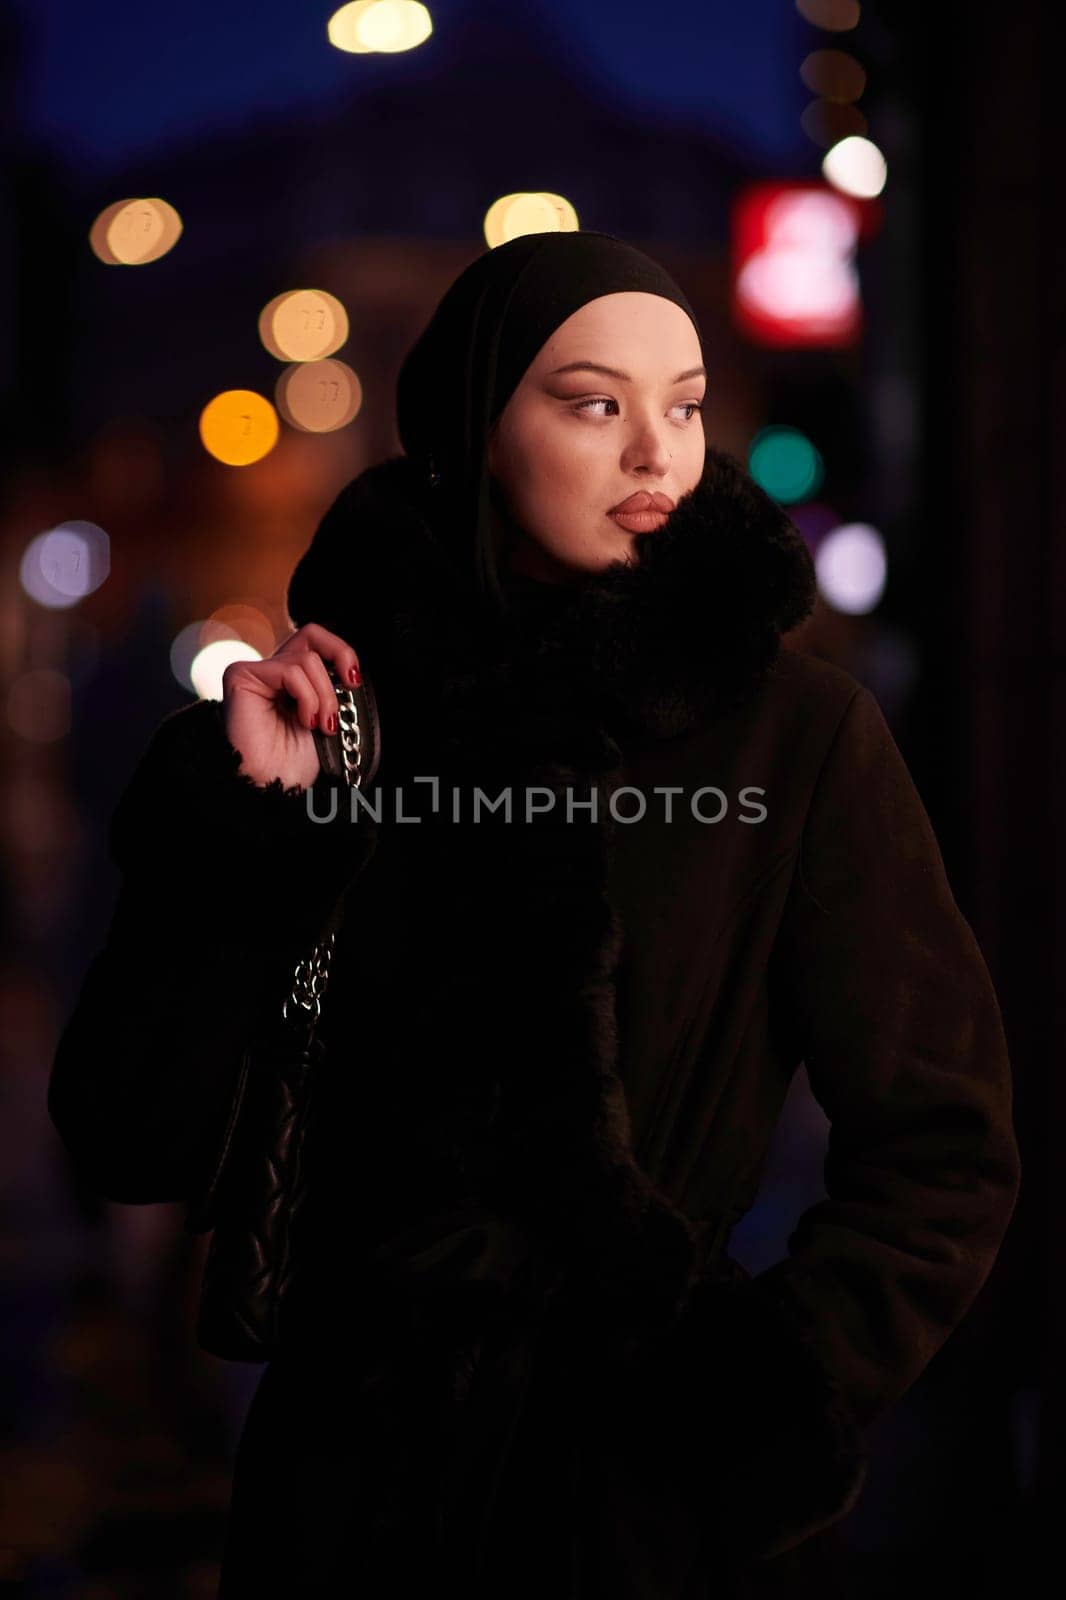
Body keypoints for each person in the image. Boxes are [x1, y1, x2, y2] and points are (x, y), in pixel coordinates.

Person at [48, 231, 1021, 1599]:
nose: (654, 455)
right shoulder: (335, 724)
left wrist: (755, 1400)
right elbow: (131, 1133)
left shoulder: (790, 737)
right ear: (473, 427)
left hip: (634, 1518)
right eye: (591, 401)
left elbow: (942, 1143)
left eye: (680, 404)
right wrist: (254, 830)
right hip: (342, 1506)